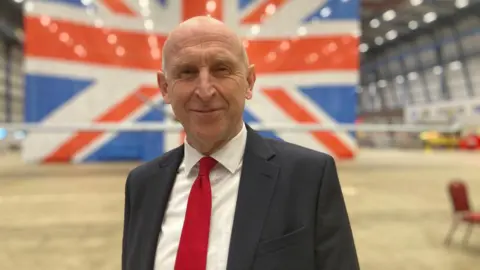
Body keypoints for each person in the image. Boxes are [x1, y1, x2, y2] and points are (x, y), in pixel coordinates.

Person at [121, 16, 359, 270]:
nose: (205, 91)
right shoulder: (142, 185)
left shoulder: (309, 178)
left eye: (221, 69)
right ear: (165, 88)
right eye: (187, 72)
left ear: (249, 81)